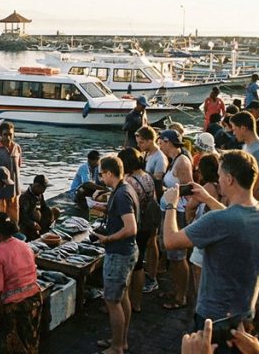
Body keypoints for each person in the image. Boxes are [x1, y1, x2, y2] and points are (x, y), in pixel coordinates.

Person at [163, 150, 259, 343]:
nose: (219, 179)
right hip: (244, 311)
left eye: (220, 175)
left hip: (213, 318)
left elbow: (170, 241)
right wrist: (208, 199)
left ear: (230, 179)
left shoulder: (217, 220)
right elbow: (235, 219)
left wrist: (171, 205)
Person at [91, 156, 138, 354]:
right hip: (127, 251)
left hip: (119, 252)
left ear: (109, 173)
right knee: (122, 296)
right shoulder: (124, 188)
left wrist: (107, 239)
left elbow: (131, 227)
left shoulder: (121, 194)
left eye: (102, 174)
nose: (101, 178)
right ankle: (121, 340)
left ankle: (117, 347)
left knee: (112, 301)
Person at [0, 212, 42, 354]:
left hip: (16, 308)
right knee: (30, 342)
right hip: (34, 300)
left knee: (12, 348)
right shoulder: (24, 245)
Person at [117, 148, 156, 314]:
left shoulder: (130, 181)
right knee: (139, 264)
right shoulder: (147, 176)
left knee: (128, 266)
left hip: (135, 224)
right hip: (147, 224)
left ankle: (122, 303)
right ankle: (137, 302)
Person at [157, 129, 192, 310]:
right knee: (170, 253)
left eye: (161, 142)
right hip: (169, 209)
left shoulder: (182, 162)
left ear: (168, 142)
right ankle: (176, 289)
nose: (159, 146)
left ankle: (181, 296)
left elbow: (189, 187)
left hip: (177, 212)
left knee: (178, 257)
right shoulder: (173, 160)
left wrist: (171, 193)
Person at [184, 153, 222, 299]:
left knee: (198, 267)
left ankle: (201, 302)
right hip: (219, 229)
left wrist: (190, 222)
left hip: (206, 229)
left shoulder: (207, 187)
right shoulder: (222, 186)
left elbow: (190, 206)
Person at [135, 125, 167, 293]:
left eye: (141, 142)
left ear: (149, 140)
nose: (139, 145)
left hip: (154, 204)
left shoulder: (159, 158)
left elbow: (157, 183)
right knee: (147, 241)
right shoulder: (147, 154)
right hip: (146, 203)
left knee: (152, 241)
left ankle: (152, 276)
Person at [230, 111, 259, 203]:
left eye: (234, 129)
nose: (233, 133)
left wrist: (250, 207)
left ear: (243, 128)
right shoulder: (248, 145)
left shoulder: (258, 151)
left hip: (254, 204)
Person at [18, 174, 60, 241]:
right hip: (28, 224)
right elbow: (23, 216)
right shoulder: (24, 197)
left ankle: (44, 230)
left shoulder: (40, 194)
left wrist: (51, 215)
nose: (44, 190)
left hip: (39, 221)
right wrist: (33, 224)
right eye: (44, 188)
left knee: (54, 210)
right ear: (37, 186)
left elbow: (44, 207)